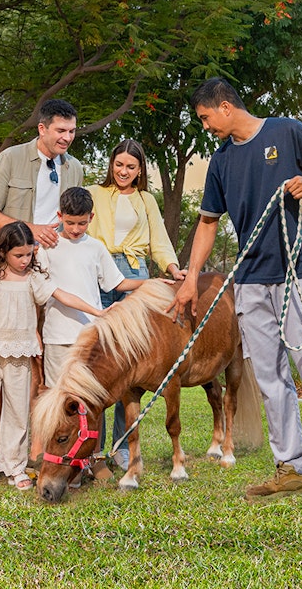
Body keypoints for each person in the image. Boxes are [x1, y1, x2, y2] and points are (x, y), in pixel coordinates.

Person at [166, 77, 302, 510]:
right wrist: (190, 279)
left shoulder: (286, 131)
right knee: (271, 379)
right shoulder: (221, 161)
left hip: (298, 275)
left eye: (206, 118)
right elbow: (207, 222)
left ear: (225, 107)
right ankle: (292, 468)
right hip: (251, 282)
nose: (206, 127)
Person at [0, 221, 104, 493]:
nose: (25, 260)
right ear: (3, 252)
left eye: (29, 254)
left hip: (20, 355)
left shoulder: (34, 279)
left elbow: (63, 296)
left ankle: (13, 465)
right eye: (19, 255)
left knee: (17, 411)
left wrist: (98, 312)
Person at [87, 139, 186, 468]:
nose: (123, 171)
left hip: (137, 274)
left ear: (140, 170)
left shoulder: (146, 201)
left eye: (131, 167)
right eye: (119, 165)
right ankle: (94, 448)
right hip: (100, 269)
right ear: (110, 164)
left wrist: (174, 270)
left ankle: (122, 445)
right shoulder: (95, 193)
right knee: (100, 361)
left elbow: (159, 240)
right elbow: (74, 226)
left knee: (129, 364)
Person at [38, 187, 148, 388]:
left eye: (82, 223)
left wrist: (150, 282)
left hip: (91, 335)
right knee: (57, 394)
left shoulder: (96, 247)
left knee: (90, 393)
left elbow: (118, 283)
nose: (75, 229)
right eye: (70, 223)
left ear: (91, 217)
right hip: (57, 336)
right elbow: (42, 292)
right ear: (60, 216)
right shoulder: (47, 247)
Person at [0, 99, 83, 256]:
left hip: (57, 258)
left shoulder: (75, 167)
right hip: (13, 260)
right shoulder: (11, 157)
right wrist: (30, 230)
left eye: (72, 131)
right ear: (42, 129)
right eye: (61, 131)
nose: (67, 138)